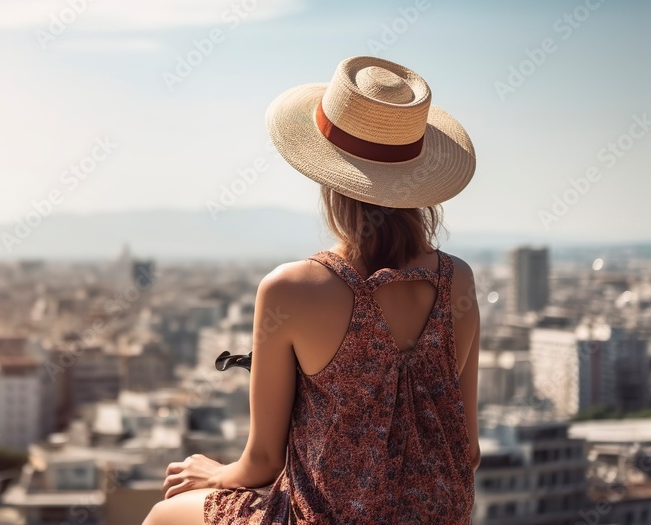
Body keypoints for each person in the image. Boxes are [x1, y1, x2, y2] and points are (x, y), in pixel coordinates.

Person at [143, 56, 481, 525]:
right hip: (444, 516)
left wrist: (215, 473)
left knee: (164, 516)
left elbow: (261, 463)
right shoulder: (456, 280)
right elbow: (469, 448)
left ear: (329, 180)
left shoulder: (291, 289)